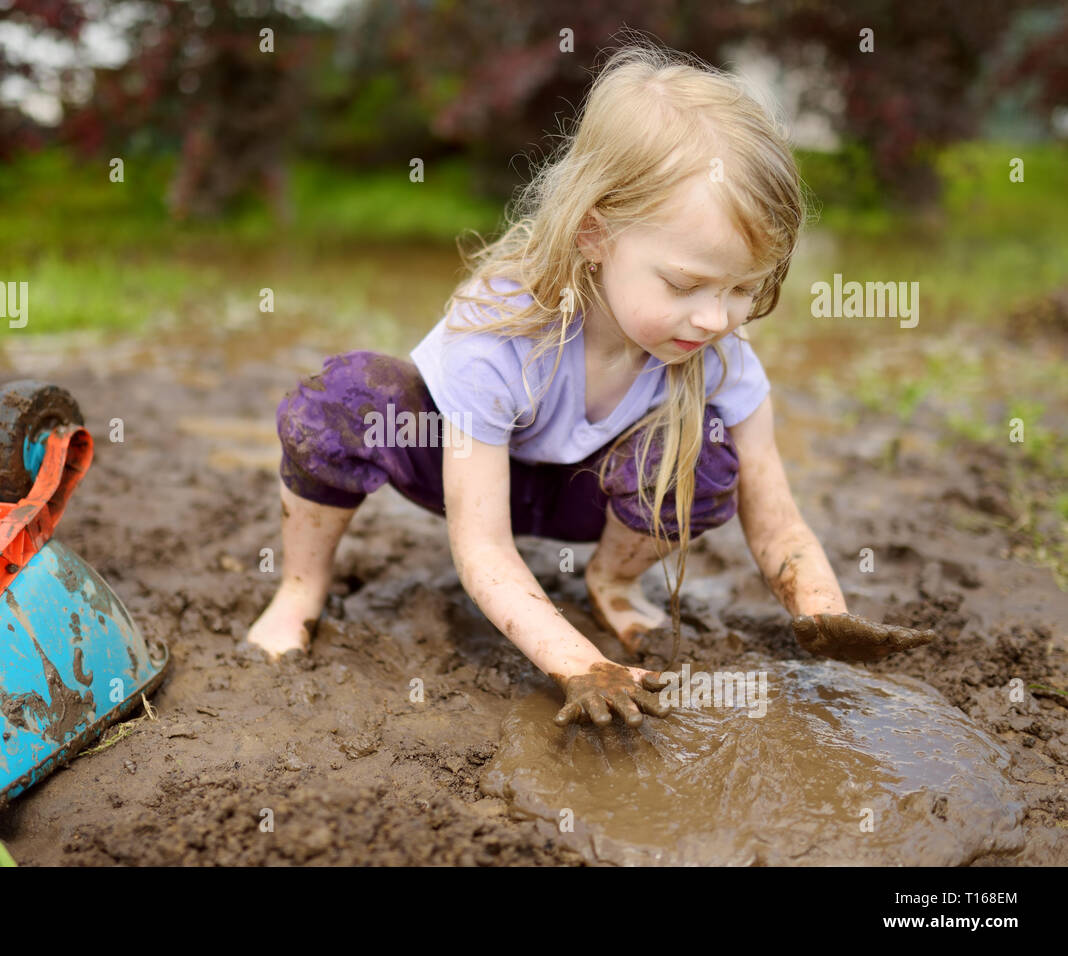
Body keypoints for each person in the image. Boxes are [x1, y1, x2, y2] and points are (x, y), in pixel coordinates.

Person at [245, 41, 935, 727]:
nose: (714, 317)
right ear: (594, 232)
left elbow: (775, 511)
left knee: (707, 447)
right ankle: (300, 590)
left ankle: (610, 579)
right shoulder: (498, 333)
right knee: (345, 397)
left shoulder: (720, 351)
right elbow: (480, 546)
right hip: (466, 480)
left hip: (590, 499)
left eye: (744, 288)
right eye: (686, 284)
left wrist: (821, 610)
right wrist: (578, 663)